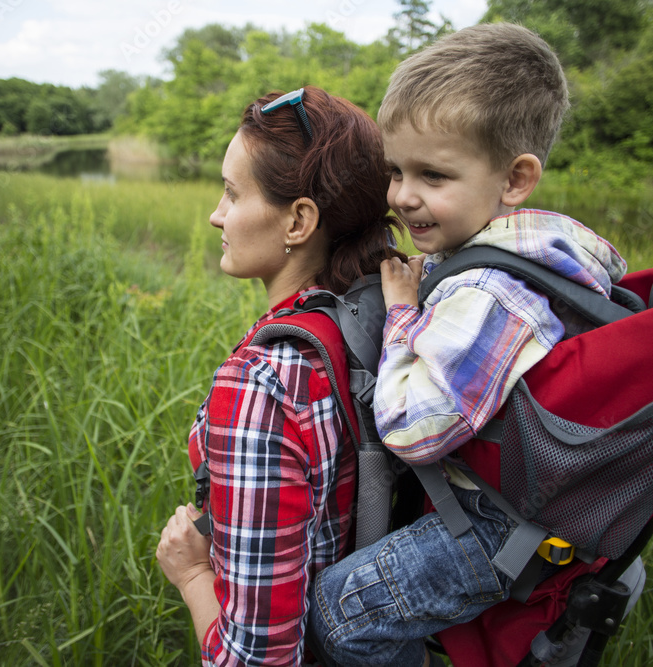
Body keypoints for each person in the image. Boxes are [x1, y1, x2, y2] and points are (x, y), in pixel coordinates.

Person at [307, 23, 629, 666]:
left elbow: (415, 430)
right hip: (510, 498)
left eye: (433, 174)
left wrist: (401, 313)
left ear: (514, 179)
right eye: (396, 171)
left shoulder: (491, 291)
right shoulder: (521, 251)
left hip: (501, 528)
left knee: (338, 614)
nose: (402, 196)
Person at [156, 85, 405, 666]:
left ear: (299, 220)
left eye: (231, 192)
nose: (217, 214)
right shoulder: (380, 319)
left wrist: (193, 574)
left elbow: (256, 659)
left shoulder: (261, 384)